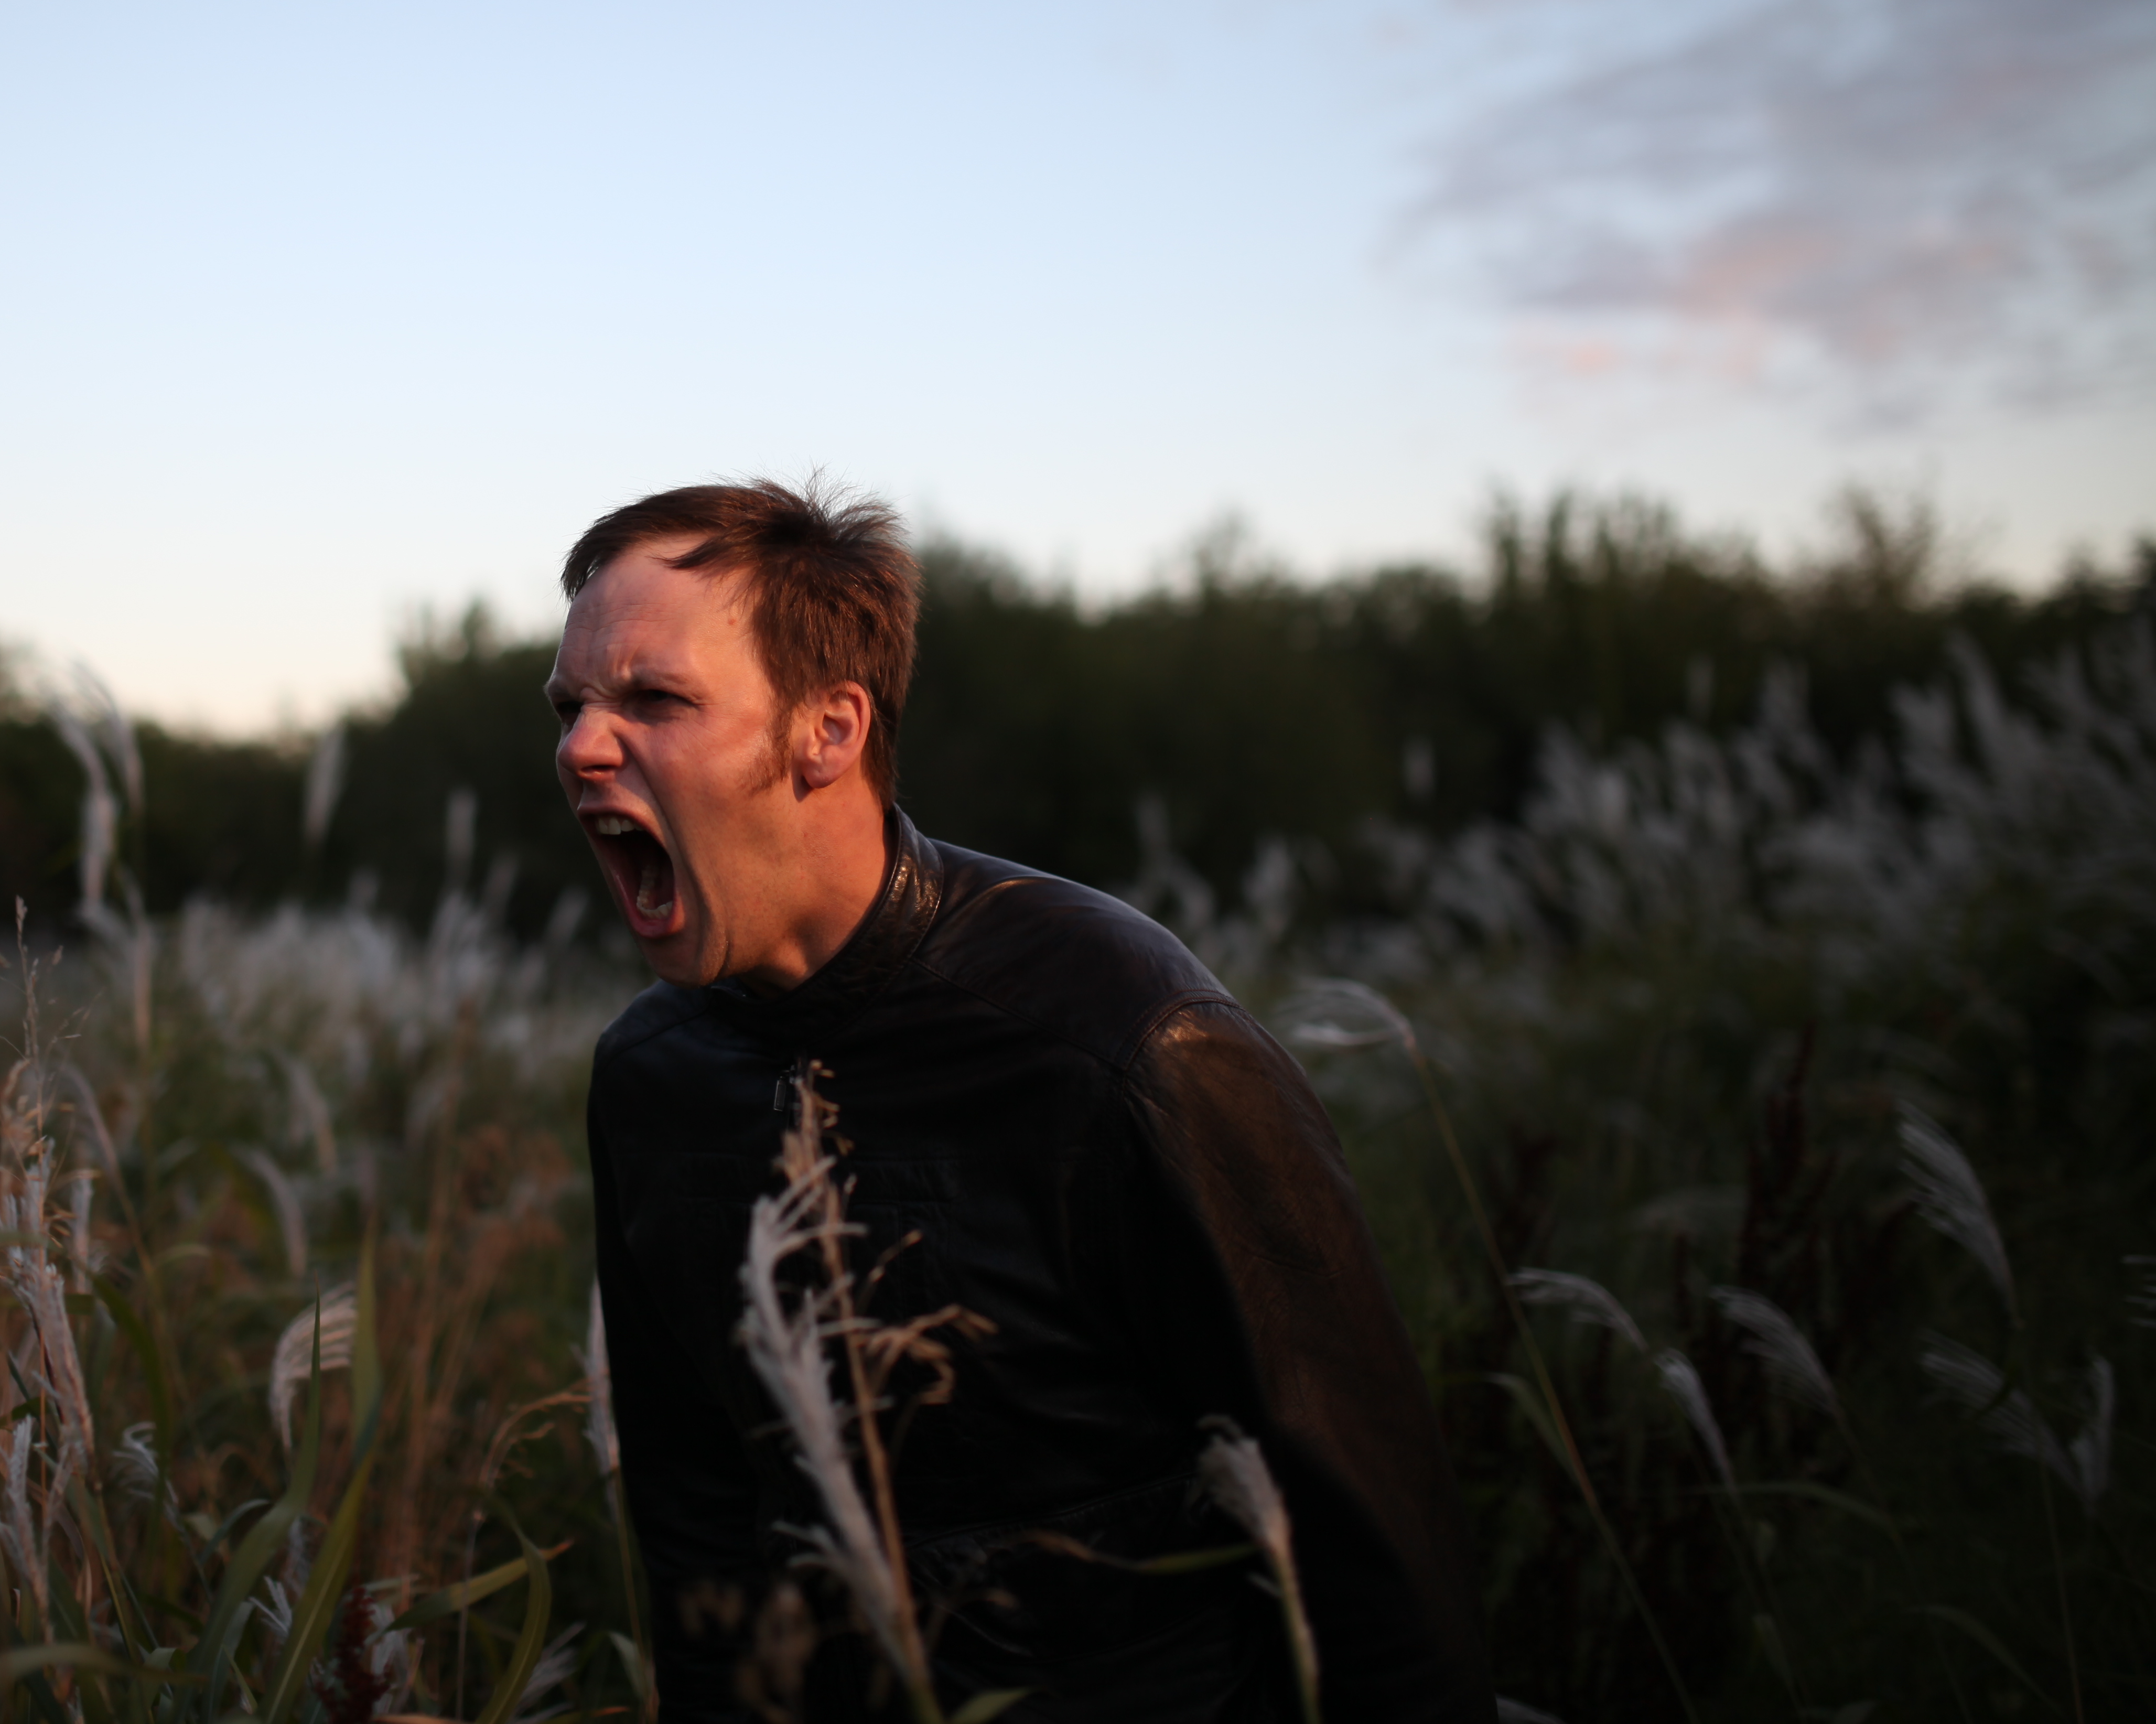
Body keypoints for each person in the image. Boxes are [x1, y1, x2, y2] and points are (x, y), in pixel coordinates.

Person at [553, 479, 1488, 1722]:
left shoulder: (1124, 1037)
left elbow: (1367, 1533)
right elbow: (698, 1526)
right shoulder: (652, 1077)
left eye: (654, 699)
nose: (579, 747)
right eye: (569, 706)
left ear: (825, 731)